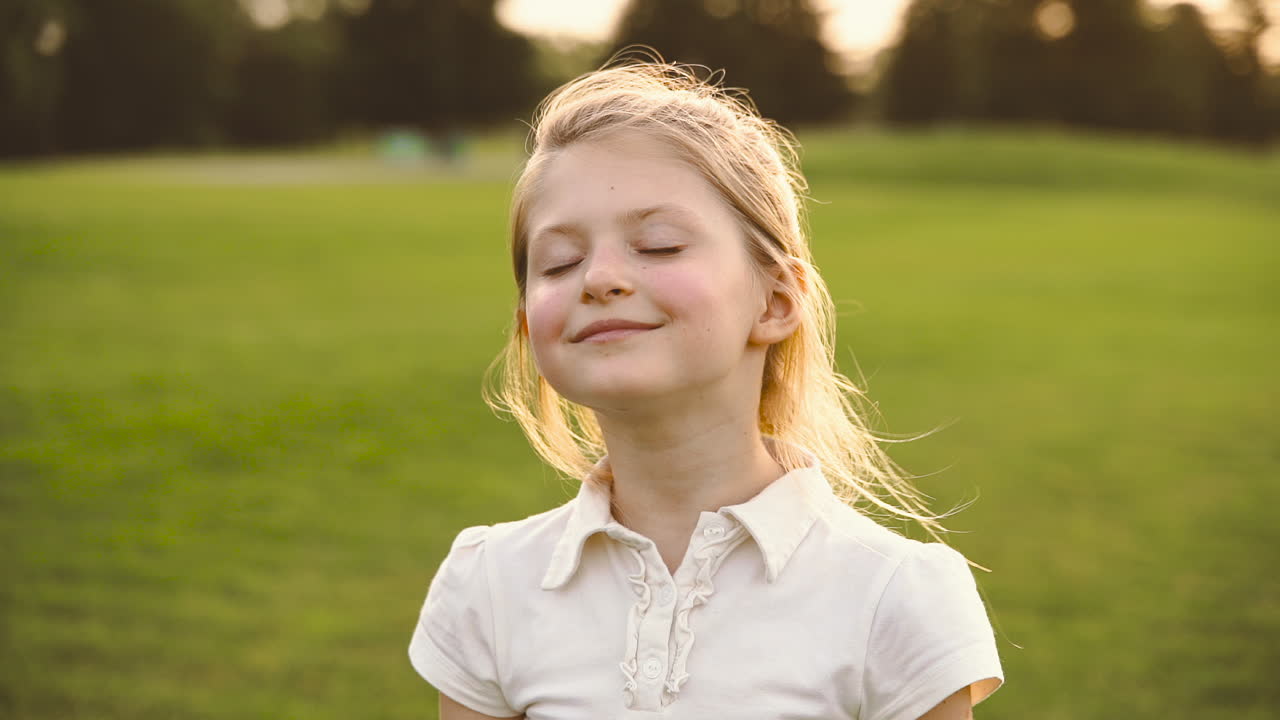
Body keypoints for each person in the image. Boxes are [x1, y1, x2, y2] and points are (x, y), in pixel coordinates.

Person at [408, 59, 1003, 720]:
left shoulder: (895, 594)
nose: (599, 277)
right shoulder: (489, 584)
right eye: (560, 261)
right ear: (526, 326)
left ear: (775, 301)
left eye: (658, 246)